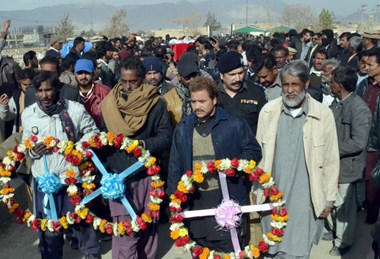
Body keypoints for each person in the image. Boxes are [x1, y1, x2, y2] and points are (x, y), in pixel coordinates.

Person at [167, 76, 262, 253]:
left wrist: (234, 165)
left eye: (202, 101)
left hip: (226, 199)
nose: (197, 106)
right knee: (200, 249)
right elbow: (175, 166)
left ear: (215, 99)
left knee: (229, 248)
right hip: (196, 200)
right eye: (193, 102)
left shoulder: (234, 124)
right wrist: (173, 202)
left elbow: (254, 151)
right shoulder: (184, 128)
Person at [256, 60, 340, 258]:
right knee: (272, 246)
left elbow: (331, 158)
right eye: (286, 84)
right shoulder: (268, 112)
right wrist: (257, 189)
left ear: (306, 85)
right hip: (274, 194)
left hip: (307, 198)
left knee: (300, 249)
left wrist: (328, 198)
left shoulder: (322, 114)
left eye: (295, 85)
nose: (290, 90)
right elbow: (259, 154)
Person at [21, 71, 100, 259]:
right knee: (49, 225)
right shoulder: (29, 114)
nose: (44, 95)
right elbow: (25, 143)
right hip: (44, 180)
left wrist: (76, 149)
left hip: (70, 177)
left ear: (57, 89)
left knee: (79, 219)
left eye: (48, 90)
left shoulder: (75, 110)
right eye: (39, 91)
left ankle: (90, 253)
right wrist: (32, 150)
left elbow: (93, 133)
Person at [100, 57, 173, 259]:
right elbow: (103, 138)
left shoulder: (156, 103)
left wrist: (143, 145)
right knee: (125, 230)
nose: (128, 86)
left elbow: (166, 137)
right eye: (123, 81)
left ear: (142, 79)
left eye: (133, 81)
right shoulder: (109, 105)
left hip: (147, 175)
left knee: (147, 225)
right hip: (118, 177)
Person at [325, 66, 372, 256]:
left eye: (332, 82)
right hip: (334, 164)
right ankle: (335, 232)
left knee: (345, 207)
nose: (329, 85)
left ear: (340, 85)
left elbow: (358, 143)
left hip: (348, 166)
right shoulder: (337, 103)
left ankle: (343, 242)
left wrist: (331, 151)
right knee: (332, 200)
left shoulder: (359, 109)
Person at [217, 51, 267, 134]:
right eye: (232, 75)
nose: (237, 78)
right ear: (222, 75)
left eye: (240, 73)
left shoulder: (256, 92)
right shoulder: (213, 93)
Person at [357, 48, 380, 224]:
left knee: (373, 179)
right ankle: (368, 207)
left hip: (376, 140)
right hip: (364, 137)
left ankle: (373, 210)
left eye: (371, 65)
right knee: (367, 178)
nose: (367, 67)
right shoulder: (364, 84)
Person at [74, 58, 110, 128]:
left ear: (93, 74)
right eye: (80, 73)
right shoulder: (70, 94)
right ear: (75, 75)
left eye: (87, 73)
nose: (83, 76)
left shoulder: (105, 92)